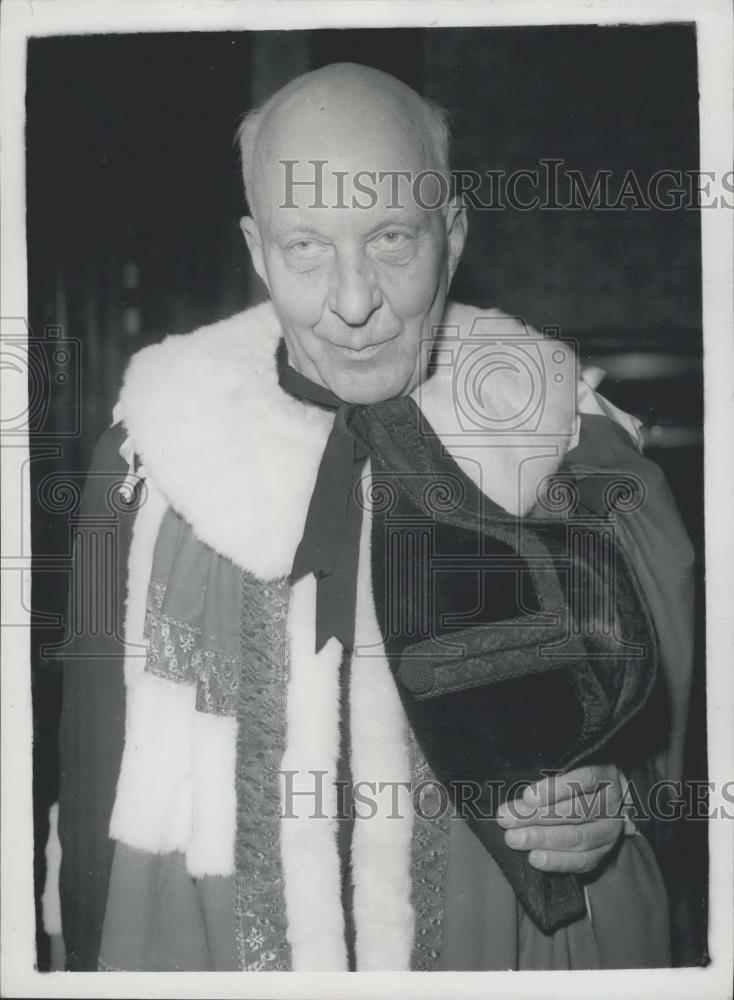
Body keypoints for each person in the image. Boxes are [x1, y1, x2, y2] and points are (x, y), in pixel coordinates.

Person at [46, 62, 695, 971]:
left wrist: (614, 812)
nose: (354, 305)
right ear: (256, 249)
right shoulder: (147, 474)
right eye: (305, 247)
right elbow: (93, 825)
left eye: (391, 238)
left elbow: (681, 778)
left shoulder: (584, 468)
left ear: (454, 235)